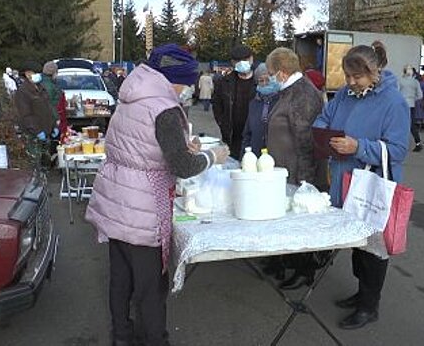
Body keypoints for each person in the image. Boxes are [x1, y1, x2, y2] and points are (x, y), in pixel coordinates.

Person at [85, 44, 229, 346]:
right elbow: (183, 165)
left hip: (116, 199)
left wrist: (179, 146)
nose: (188, 90)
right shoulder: (163, 108)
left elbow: (136, 145)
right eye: (187, 83)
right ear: (173, 79)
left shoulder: (131, 95)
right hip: (142, 207)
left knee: (121, 280)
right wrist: (212, 156)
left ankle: (121, 336)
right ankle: (155, 340)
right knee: (151, 288)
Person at [313, 41, 410, 330]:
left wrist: (358, 147)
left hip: (373, 186)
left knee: (373, 248)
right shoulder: (344, 94)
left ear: (374, 73)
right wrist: (322, 132)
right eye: (348, 77)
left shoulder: (393, 101)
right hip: (345, 182)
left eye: (357, 77)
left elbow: (398, 151)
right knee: (357, 243)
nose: (351, 83)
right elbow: (324, 117)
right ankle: (361, 294)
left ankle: (370, 305)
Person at [264, 47, 327, 290]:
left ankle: (305, 269)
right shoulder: (288, 91)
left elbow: (305, 142)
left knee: (299, 224)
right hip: (284, 171)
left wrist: (306, 182)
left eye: (270, 73)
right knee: (285, 221)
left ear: (281, 72)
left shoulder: (302, 94)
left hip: (298, 174)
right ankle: (287, 261)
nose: (269, 77)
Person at [212, 44, 257, 160]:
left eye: (245, 59)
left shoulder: (261, 81)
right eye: (238, 60)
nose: (242, 63)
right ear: (232, 62)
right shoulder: (224, 82)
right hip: (232, 136)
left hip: (255, 136)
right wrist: (222, 123)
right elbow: (217, 105)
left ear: (251, 59)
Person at [13, 61, 54, 168]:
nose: (39, 75)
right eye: (36, 73)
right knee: (35, 165)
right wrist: (38, 131)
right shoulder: (23, 92)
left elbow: (48, 108)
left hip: (46, 132)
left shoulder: (40, 88)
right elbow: (26, 115)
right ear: (27, 74)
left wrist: (53, 126)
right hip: (33, 135)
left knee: (45, 164)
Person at [398, 64, 423, 152]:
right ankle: (418, 142)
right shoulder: (415, 82)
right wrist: (412, 99)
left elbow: (396, 93)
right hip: (411, 104)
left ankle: (400, 143)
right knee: (412, 124)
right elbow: (420, 95)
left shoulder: (400, 81)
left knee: (400, 124)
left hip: (402, 105)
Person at [40, 61, 61, 139]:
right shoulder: (49, 85)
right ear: (54, 72)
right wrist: (57, 119)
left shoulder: (42, 82)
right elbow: (50, 103)